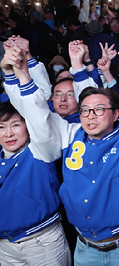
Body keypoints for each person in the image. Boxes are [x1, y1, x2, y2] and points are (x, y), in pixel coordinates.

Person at [2, 44, 119, 266]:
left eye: (99, 110)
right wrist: (16, 74)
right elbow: (36, 115)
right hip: (85, 249)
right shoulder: (70, 134)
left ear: (116, 114)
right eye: (85, 110)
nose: (90, 116)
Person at [0, 102, 71, 266]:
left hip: (42, 242)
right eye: (1, 127)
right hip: (5, 247)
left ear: (28, 126)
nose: (9, 133)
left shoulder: (39, 150)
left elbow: (39, 117)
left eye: (16, 125)